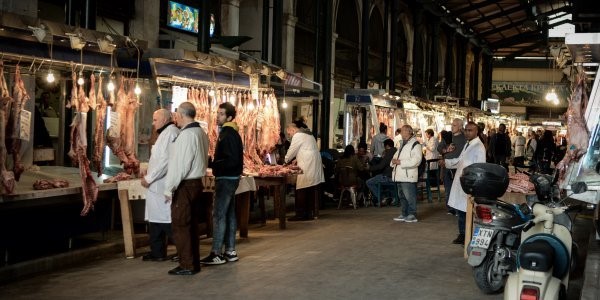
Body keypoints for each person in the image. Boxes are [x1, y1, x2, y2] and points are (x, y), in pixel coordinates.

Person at [163, 102, 209, 276]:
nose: (175, 118)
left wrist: (169, 188)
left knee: (181, 224)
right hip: (196, 183)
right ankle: (192, 262)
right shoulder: (200, 132)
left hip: (186, 185)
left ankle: (187, 265)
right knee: (191, 225)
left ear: (181, 115)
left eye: (176, 115)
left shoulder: (188, 135)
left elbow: (180, 165)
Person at [200, 102, 244, 265]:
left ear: (229, 117)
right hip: (231, 178)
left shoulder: (228, 134)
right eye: (217, 113)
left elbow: (231, 160)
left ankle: (216, 252)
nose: (217, 116)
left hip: (226, 179)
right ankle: (230, 251)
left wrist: (213, 164)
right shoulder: (231, 133)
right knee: (229, 214)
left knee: (218, 214)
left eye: (221, 114)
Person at [140, 109, 179, 262]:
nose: (153, 122)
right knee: (156, 220)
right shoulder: (165, 133)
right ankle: (157, 252)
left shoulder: (171, 133)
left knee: (166, 220)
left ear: (164, 119)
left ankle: (182, 250)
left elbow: (166, 161)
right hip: (156, 186)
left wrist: (150, 177)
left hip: (162, 185)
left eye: (155, 119)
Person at [439, 122, 486, 245]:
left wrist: (474, 185)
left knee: (466, 211)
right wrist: (447, 163)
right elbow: (460, 160)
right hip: (462, 180)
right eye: (466, 130)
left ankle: (467, 236)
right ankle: (462, 234)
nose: (467, 132)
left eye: (470, 130)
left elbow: (480, 167)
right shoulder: (468, 144)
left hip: (469, 183)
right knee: (461, 210)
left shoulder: (479, 147)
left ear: (477, 132)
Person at [284, 123, 325, 221]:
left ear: (293, 130)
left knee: (302, 187)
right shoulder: (308, 134)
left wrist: (285, 161)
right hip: (312, 162)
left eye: (289, 133)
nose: (289, 136)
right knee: (309, 187)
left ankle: (301, 214)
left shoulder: (298, 135)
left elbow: (292, 150)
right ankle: (309, 213)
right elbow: (304, 149)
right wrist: (296, 159)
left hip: (307, 164)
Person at [391, 125, 422, 223]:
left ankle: (412, 214)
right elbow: (396, 156)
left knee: (410, 196)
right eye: (401, 130)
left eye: (404, 130)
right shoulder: (402, 144)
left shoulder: (415, 144)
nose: (401, 132)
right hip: (400, 174)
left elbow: (417, 160)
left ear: (409, 132)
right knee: (402, 196)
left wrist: (401, 162)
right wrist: (393, 161)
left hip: (408, 175)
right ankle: (404, 214)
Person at [437, 118, 466, 215]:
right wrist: (446, 150)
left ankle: (458, 209)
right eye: (452, 125)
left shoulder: (465, 138)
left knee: (458, 189)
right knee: (448, 189)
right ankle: (450, 208)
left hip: (459, 167)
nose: (452, 127)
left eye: (454, 125)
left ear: (460, 127)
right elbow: (439, 148)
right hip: (447, 167)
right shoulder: (448, 136)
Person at [366, 139, 396, 206]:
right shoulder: (396, 151)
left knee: (369, 182)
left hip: (388, 176)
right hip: (394, 176)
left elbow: (381, 166)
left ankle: (383, 198)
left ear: (387, 146)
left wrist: (370, 168)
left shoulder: (389, 152)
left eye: (384, 147)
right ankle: (393, 197)